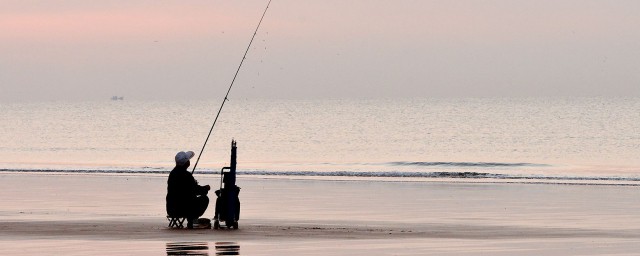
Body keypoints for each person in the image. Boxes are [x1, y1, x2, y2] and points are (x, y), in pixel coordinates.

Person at [166, 151, 210, 228]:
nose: (189, 161)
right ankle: (192, 219)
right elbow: (196, 190)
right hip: (185, 209)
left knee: (188, 198)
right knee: (204, 199)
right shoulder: (187, 176)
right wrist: (205, 188)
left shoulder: (172, 174)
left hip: (171, 209)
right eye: (188, 160)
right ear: (186, 163)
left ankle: (192, 219)